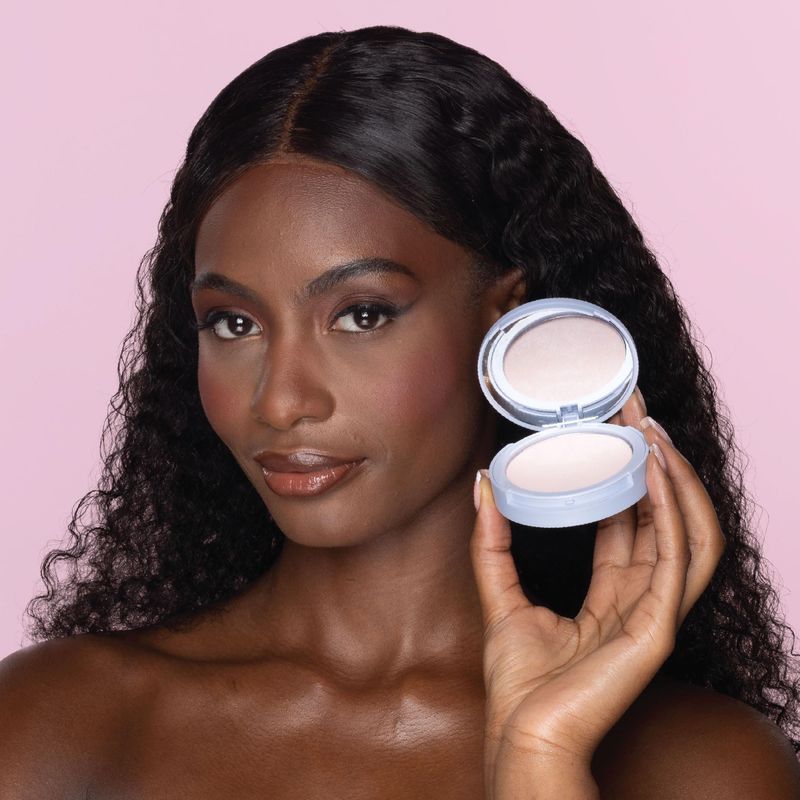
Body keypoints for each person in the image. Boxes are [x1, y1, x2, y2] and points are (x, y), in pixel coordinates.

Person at [1, 24, 799, 799]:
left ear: (507, 321)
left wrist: (540, 756)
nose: (280, 401)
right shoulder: (61, 722)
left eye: (362, 315)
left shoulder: (703, 769)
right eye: (234, 324)